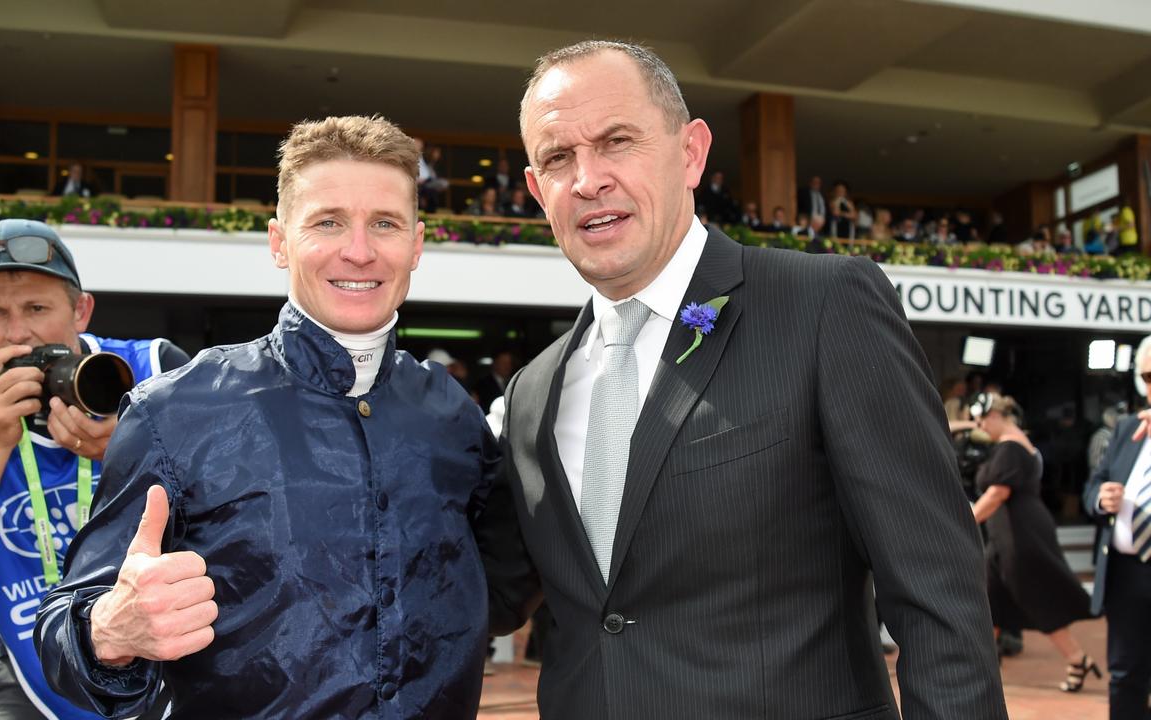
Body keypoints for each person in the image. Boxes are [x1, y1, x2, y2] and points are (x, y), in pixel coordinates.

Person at [480, 40, 1006, 719]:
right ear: (535, 189)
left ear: (691, 153)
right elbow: (494, 592)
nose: (588, 179)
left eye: (617, 141)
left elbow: (938, 591)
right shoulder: (531, 393)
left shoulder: (824, 307)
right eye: (559, 158)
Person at [36, 116, 499, 719]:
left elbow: (503, 576)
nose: (358, 250)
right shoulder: (173, 412)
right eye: (327, 222)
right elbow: (63, 634)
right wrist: (109, 632)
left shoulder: (452, 414)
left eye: (384, 224)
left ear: (415, 244)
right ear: (279, 242)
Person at [0, 218, 188, 719]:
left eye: (36, 308)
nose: (19, 334)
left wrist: (130, 456)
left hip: (167, 661)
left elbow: (241, 526)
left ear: (81, 310)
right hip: (31, 678)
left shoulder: (153, 371)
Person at [969, 394, 1098, 692]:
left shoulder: (1011, 447)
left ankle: (1077, 659)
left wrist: (967, 519)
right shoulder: (1016, 443)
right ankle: (983, 667)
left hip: (1019, 535)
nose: (979, 426)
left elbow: (997, 493)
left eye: (981, 420)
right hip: (1009, 534)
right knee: (991, 598)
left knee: (1036, 597)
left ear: (997, 416)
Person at [1086, 336, 1151, 720]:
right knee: (1125, 674)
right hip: (1127, 573)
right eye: (1148, 375)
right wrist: (1101, 497)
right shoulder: (1127, 428)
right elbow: (1094, 483)